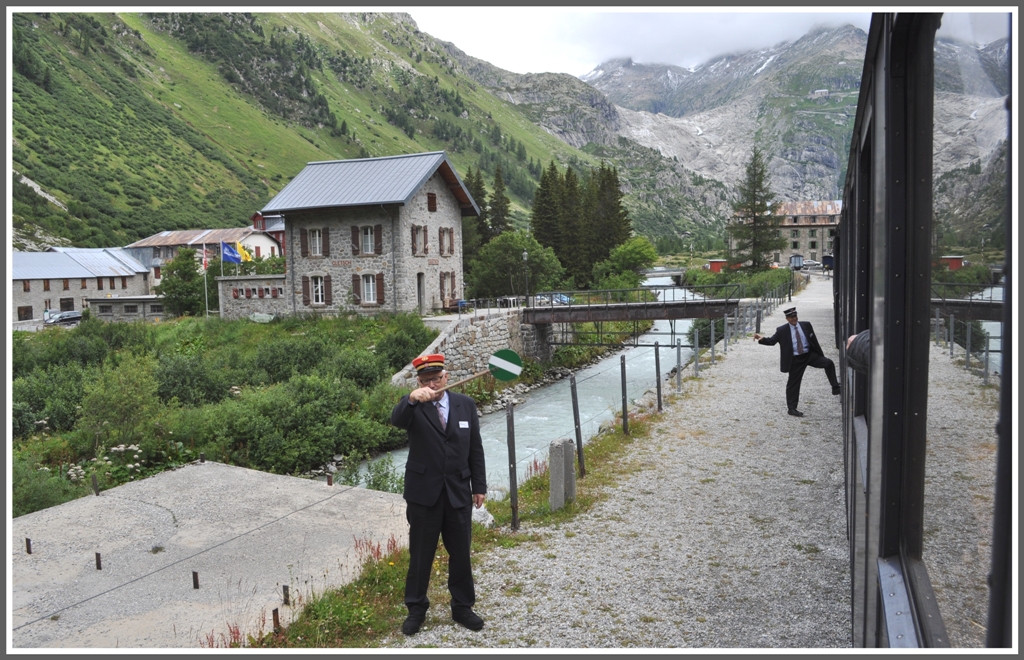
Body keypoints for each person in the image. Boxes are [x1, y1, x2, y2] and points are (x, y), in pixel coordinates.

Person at [390, 353, 487, 636]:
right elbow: (396, 420)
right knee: (421, 555)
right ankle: (416, 610)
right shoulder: (414, 407)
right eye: (426, 381)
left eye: (436, 379)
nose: (432, 385)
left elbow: (475, 449)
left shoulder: (465, 405)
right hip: (424, 494)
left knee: (461, 553)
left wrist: (479, 486)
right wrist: (411, 398)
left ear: (446, 377)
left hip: (458, 491)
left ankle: (463, 607)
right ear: (419, 382)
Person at [753, 306, 840, 417]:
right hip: (796, 359)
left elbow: (814, 341)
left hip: (809, 355)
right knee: (793, 384)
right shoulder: (782, 330)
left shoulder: (806, 325)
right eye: (791, 317)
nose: (794, 319)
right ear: (787, 319)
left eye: (795, 316)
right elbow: (772, 341)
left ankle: (835, 387)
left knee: (828, 363)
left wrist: (819, 354)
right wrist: (762, 339)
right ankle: (792, 408)